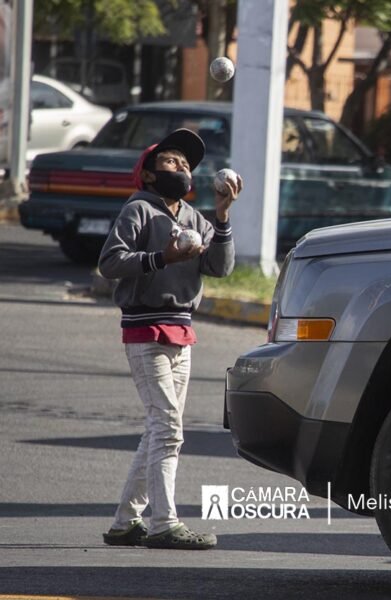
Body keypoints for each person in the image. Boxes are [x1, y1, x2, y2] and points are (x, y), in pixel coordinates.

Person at [98, 128, 242, 550]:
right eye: (169, 162)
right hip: (145, 329)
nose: (179, 167)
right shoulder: (138, 209)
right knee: (168, 429)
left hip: (181, 330)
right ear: (147, 175)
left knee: (159, 430)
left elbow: (219, 267)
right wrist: (162, 257)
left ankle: (126, 522)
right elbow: (110, 262)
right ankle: (164, 524)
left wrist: (223, 215)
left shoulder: (194, 218)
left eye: (184, 163)